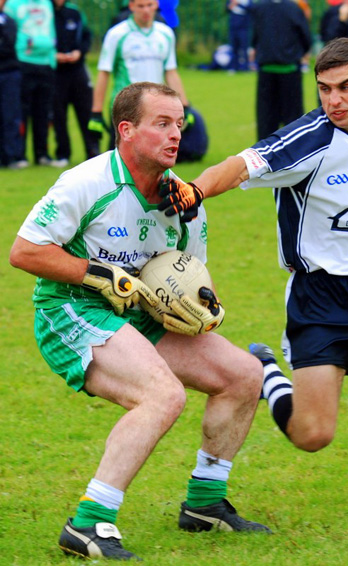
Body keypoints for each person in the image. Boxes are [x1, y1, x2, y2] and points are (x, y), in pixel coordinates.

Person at [9, 82, 271, 561]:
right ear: (126, 130)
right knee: (162, 395)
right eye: (162, 124)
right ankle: (88, 522)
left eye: (179, 124)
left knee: (244, 376)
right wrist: (96, 274)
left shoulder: (186, 206)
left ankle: (205, 503)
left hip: (138, 312)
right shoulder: (86, 183)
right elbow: (24, 252)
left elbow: (184, 278)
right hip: (70, 307)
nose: (176, 135)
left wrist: (197, 308)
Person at [156, 38, 348, 463]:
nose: (334, 100)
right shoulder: (308, 139)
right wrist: (195, 190)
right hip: (321, 296)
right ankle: (268, 374)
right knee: (312, 434)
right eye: (324, 88)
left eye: (345, 87)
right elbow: (240, 165)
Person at [89, 0, 192, 151]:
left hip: (156, 107)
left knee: (153, 158)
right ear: (131, 6)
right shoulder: (117, 34)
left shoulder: (165, 33)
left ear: (156, 5)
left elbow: (171, 71)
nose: (146, 10)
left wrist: (185, 105)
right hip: (126, 107)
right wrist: (96, 112)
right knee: (121, 158)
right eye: (141, 6)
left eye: (149, 5)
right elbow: (104, 73)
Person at [5, 0, 56, 166]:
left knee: (43, 112)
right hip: (23, 63)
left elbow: (51, 30)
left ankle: (42, 154)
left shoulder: (47, 4)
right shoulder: (13, 4)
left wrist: (52, 59)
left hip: (46, 64)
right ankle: (19, 154)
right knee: (21, 112)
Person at [250, 0, 311, 140]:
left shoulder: (259, 8)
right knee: (293, 118)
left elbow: (255, 35)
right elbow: (305, 37)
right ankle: (294, 151)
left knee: (266, 117)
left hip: (266, 69)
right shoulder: (294, 8)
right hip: (290, 69)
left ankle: (264, 155)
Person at [51, 0, 98, 167]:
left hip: (77, 70)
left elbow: (86, 35)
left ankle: (92, 150)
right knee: (58, 114)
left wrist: (80, 52)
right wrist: (54, 55)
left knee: (86, 110)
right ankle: (63, 153)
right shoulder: (45, 12)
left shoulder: (74, 12)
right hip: (56, 71)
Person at [0, 0, 24, 169]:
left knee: (9, 115)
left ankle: (10, 156)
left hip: (8, 73)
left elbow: (8, 46)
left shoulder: (8, 21)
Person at [227, 0, 252, 73]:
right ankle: (234, 67)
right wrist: (233, 3)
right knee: (234, 48)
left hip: (244, 28)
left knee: (244, 48)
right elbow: (227, 8)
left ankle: (245, 68)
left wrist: (239, 3)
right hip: (233, 27)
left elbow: (251, 8)